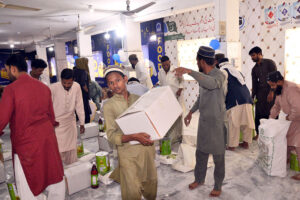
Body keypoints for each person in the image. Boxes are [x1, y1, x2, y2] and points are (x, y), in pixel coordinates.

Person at [0, 55, 65, 200]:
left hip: (26, 146)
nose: (7, 73)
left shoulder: (11, 89)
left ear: (13, 69)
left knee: (27, 186)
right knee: (53, 177)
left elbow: (1, 119)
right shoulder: (43, 88)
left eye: (6, 70)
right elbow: (51, 117)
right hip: (48, 140)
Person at [174, 46, 226, 197]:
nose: (197, 63)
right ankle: (199, 179)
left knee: (218, 157)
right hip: (204, 122)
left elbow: (211, 84)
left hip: (217, 123)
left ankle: (218, 185)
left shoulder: (219, 75)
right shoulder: (204, 75)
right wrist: (190, 112)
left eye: (197, 61)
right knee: (201, 153)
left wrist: (190, 71)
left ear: (201, 61)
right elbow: (201, 97)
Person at [103, 66, 157, 200]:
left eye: (118, 80)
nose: (115, 85)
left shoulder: (138, 99)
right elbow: (111, 135)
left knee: (151, 185)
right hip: (127, 154)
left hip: (146, 150)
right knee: (131, 192)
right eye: (111, 83)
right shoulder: (109, 105)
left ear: (125, 79)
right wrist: (133, 136)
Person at [267, 71, 300, 181]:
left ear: (280, 81)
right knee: (287, 139)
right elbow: (276, 106)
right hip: (294, 118)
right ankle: (285, 160)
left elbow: (298, 108)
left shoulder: (291, 89)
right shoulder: (279, 90)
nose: (272, 87)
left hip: (297, 117)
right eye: (270, 85)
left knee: (298, 144)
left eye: (273, 85)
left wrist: (289, 117)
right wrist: (270, 120)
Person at [50, 68, 85, 165]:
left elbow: (79, 105)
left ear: (73, 80)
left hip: (70, 122)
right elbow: (48, 107)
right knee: (58, 149)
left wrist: (82, 122)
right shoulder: (53, 88)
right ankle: (59, 172)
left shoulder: (77, 87)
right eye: (64, 83)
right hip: (56, 123)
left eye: (69, 83)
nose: (66, 85)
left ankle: (72, 169)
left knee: (71, 148)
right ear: (60, 80)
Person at [219, 58, 255, 150]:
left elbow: (223, 88)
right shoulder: (236, 71)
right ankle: (246, 143)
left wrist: (221, 100)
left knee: (234, 123)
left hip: (236, 101)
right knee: (247, 122)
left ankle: (232, 146)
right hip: (247, 98)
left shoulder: (223, 71)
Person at [249, 46, 277, 139]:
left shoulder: (270, 63)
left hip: (271, 92)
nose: (252, 58)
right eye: (251, 56)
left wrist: (272, 92)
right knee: (259, 114)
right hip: (260, 94)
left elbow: (275, 78)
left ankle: (273, 134)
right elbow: (255, 84)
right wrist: (252, 97)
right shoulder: (254, 69)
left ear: (260, 54)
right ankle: (259, 133)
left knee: (271, 112)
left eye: (253, 55)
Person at [158, 55, 184, 144]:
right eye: (163, 65)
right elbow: (161, 83)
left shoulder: (176, 70)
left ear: (169, 62)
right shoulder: (160, 72)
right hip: (167, 98)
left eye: (166, 64)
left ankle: (180, 135)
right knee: (169, 116)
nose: (165, 66)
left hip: (176, 96)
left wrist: (180, 89)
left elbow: (182, 81)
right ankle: (171, 136)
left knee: (178, 116)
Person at [74, 57, 91, 123]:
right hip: (83, 94)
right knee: (85, 110)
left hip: (76, 93)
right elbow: (83, 83)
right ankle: (86, 124)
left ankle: (79, 122)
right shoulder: (83, 72)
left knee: (78, 109)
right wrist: (87, 90)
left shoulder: (74, 70)